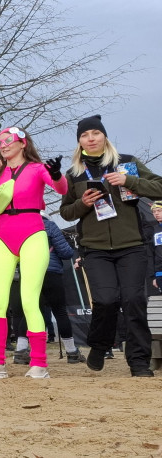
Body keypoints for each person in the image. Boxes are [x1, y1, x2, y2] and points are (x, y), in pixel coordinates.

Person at [59, 115, 162, 377]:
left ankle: (139, 361)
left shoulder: (127, 163)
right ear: (79, 142)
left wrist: (130, 182)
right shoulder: (73, 174)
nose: (91, 138)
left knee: (134, 301)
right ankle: (99, 345)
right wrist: (83, 202)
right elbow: (66, 213)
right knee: (105, 301)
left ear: (104, 136)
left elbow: (159, 187)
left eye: (95, 133)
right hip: (95, 249)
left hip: (132, 246)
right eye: (85, 135)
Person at [0, 127, 67, 379]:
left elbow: (61, 190)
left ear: (22, 143)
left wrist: (57, 175)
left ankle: (39, 363)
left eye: (7, 141)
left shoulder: (38, 169)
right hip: (2, 238)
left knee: (28, 299)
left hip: (33, 234)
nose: (2, 145)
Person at [40, 215, 84, 363]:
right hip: (51, 272)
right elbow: (66, 253)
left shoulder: (21, 226)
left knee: (31, 311)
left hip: (30, 273)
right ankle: (71, 352)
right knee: (59, 311)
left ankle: (23, 349)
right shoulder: (50, 226)